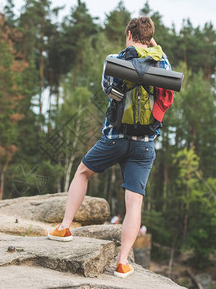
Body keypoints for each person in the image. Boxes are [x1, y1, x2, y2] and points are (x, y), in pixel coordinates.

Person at [47, 17, 174, 278]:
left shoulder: (114, 59)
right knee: (134, 203)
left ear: (129, 34)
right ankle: (123, 262)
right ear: (150, 38)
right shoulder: (162, 63)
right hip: (145, 145)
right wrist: (154, 47)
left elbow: (109, 91)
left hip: (114, 137)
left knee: (83, 172)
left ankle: (65, 227)